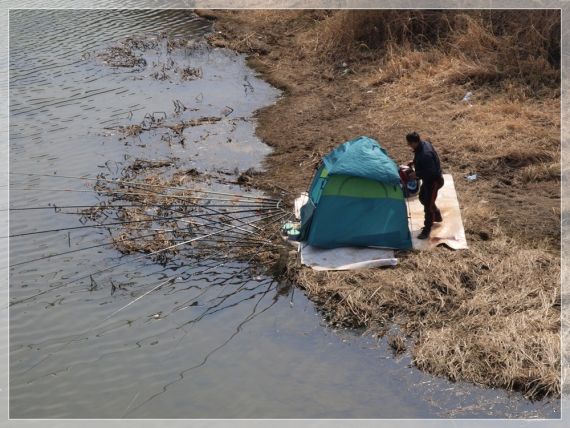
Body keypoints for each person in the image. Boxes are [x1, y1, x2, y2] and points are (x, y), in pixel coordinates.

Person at [405, 132, 444, 239]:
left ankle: (426, 231)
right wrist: (414, 162)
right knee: (422, 198)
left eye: (409, 143)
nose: (408, 145)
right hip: (428, 181)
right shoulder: (423, 144)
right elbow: (420, 157)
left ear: (414, 142)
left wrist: (416, 174)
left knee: (428, 206)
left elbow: (431, 172)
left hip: (434, 181)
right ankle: (437, 216)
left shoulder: (425, 154)